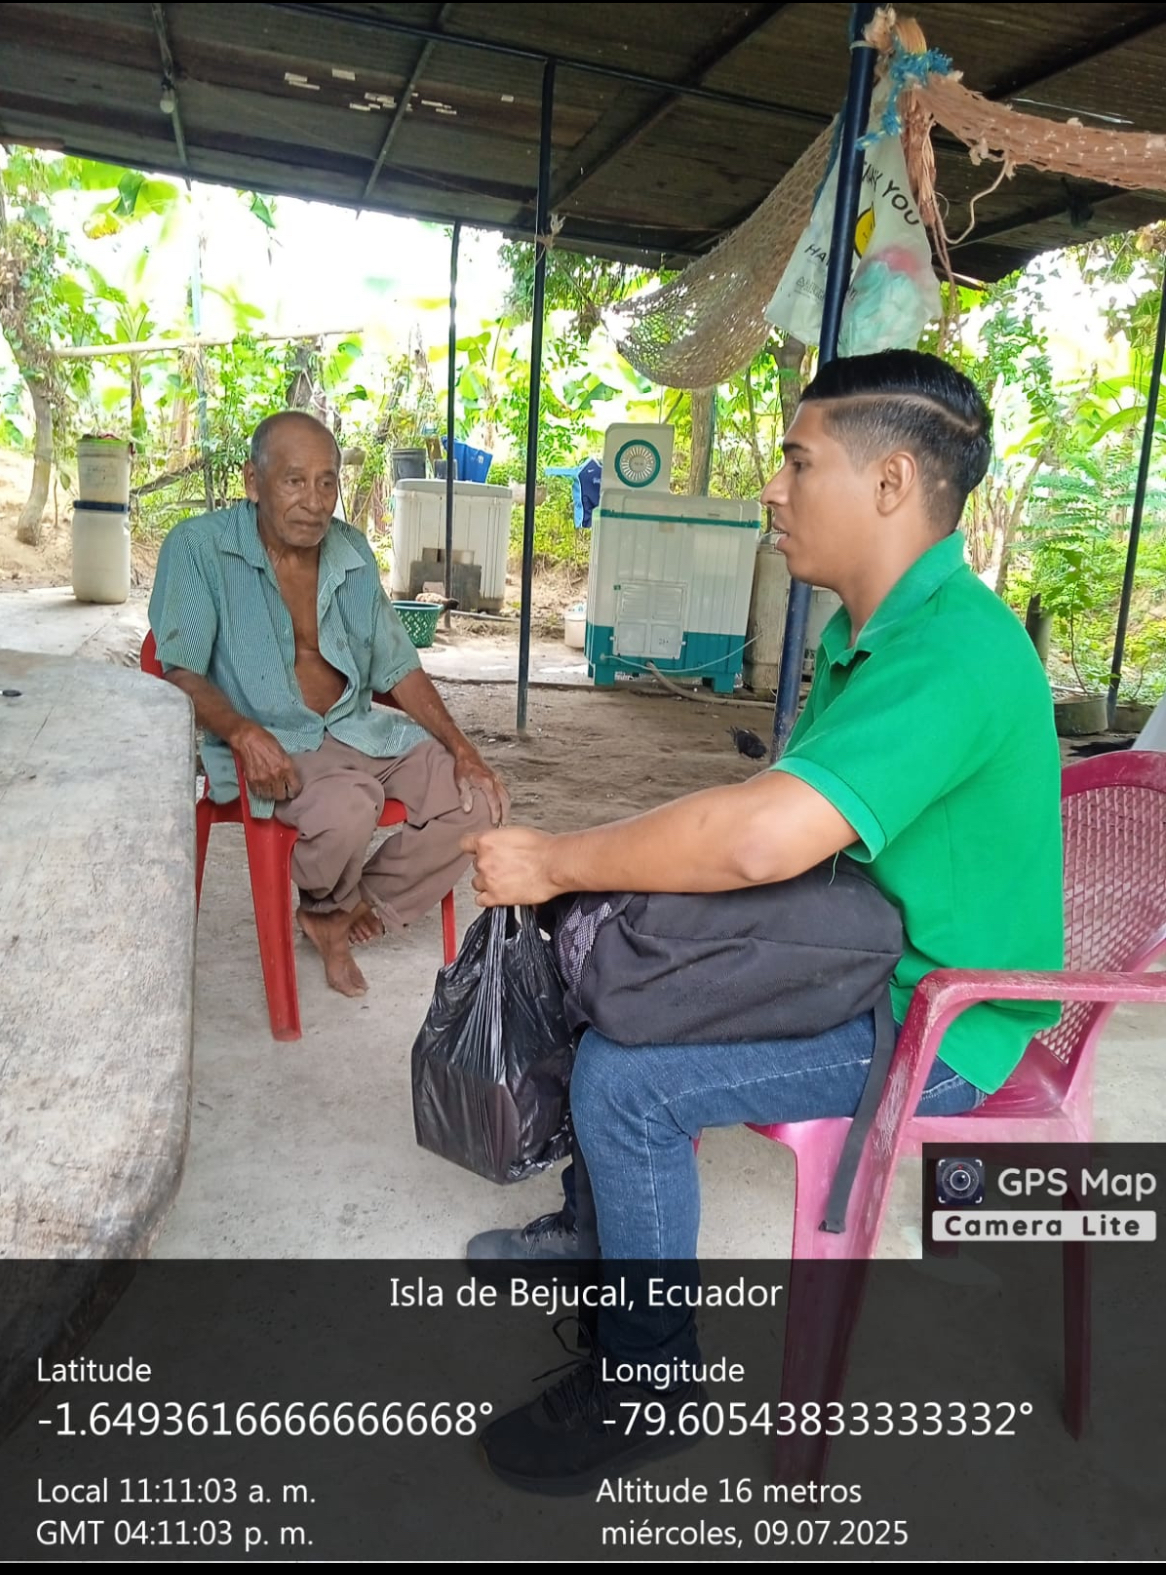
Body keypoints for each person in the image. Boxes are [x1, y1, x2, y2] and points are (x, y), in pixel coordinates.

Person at [462, 350, 1064, 1493]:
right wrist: (592, 885)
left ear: (890, 482)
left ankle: (651, 1385)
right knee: (606, 962)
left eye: (797, 462)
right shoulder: (869, 632)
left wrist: (554, 859)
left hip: (938, 1016)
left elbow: (760, 841)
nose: (772, 490)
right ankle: (601, 1241)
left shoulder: (954, 653)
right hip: (857, 952)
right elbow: (771, 825)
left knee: (628, 1084)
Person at [149, 410, 507, 998]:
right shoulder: (198, 549)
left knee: (480, 801)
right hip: (276, 739)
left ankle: (348, 907)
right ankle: (328, 906)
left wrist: (464, 750)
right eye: (294, 481)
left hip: (356, 727)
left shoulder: (351, 550)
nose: (314, 502)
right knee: (350, 807)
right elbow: (178, 671)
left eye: (327, 482)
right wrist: (241, 732)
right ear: (253, 481)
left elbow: (398, 666)